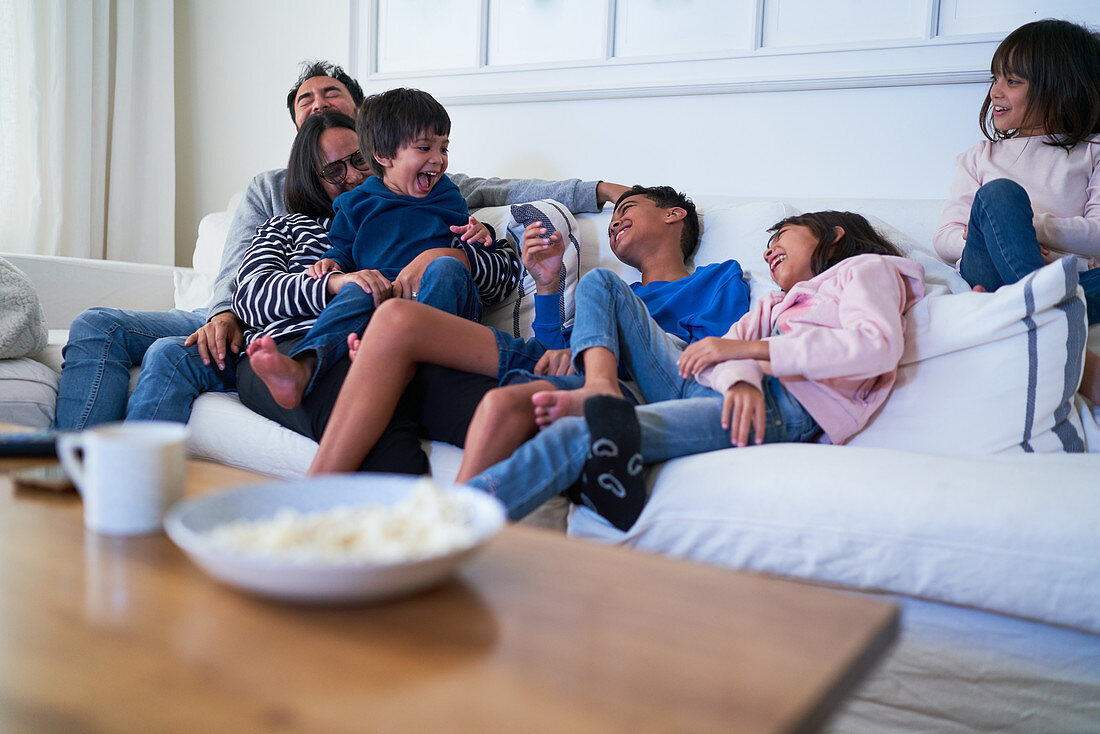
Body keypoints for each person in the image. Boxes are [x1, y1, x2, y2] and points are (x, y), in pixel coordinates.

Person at [51, 61, 626, 430]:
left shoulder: (425, 185)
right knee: (118, 331)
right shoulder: (278, 201)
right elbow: (243, 277)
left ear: (373, 137)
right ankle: (84, 477)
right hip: (261, 319)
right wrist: (232, 308)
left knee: (168, 354)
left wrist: (598, 190)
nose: (349, 172)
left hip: (378, 323)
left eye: (333, 98)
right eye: (307, 103)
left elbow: (505, 197)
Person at [462, 211, 925, 530]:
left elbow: (875, 346)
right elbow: (724, 353)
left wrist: (750, 359)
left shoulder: (867, 271)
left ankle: (443, 523)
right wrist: (741, 375)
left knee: (577, 435)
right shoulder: (773, 303)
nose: (768, 253)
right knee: (602, 282)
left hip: (787, 406)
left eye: (779, 236)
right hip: (717, 388)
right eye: (766, 247)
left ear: (834, 234)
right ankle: (600, 391)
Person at [306, 185, 751, 481]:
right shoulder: (619, 292)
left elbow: (706, 358)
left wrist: (600, 358)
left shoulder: (718, 278)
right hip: (558, 367)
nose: (615, 220)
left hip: (631, 382)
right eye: (613, 216)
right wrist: (547, 282)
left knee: (590, 296)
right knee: (395, 319)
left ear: (674, 215)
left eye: (628, 209)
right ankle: (311, 495)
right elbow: (553, 352)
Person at [245, 88, 500, 409]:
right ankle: (304, 368)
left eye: (443, 147)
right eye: (425, 148)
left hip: (443, 304)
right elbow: (343, 250)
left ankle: (419, 365)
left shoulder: (447, 193)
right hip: (385, 302)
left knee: (445, 268)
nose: (438, 158)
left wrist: (483, 231)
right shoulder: (356, 204)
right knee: (357, 289)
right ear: (383, 155)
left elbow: (470, 236)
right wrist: (332, 265)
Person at [932, 19, 1100, 404]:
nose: (995, 92)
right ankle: (1051, 311)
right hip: (987, 271)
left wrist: (1030, 232)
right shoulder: (980, 157)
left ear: (1059, 89)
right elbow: (944, 240)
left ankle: (1026, 311)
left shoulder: (1092, 152)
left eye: (1012, 81)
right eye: (995, 79)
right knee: (1000, 193)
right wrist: (1001, 235)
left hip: (1061, 277)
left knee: (1058, 281)